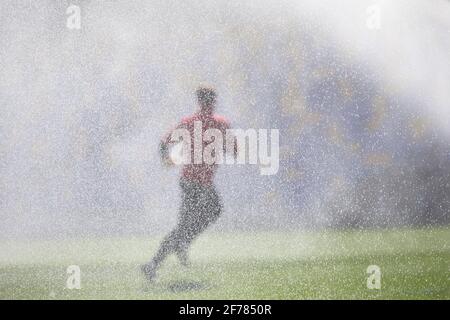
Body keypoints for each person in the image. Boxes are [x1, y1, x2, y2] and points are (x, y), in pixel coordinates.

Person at [141, 86, 236, 281]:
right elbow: (234, 150)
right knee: (207, 214)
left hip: (188, 181)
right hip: (201, 183)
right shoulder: (221, 124)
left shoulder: (189, 123)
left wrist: (165, 159)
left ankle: (176, 247)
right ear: (214, 102)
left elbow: (163, 142)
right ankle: (156, 261)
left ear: (199, 101)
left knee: (189, 223)